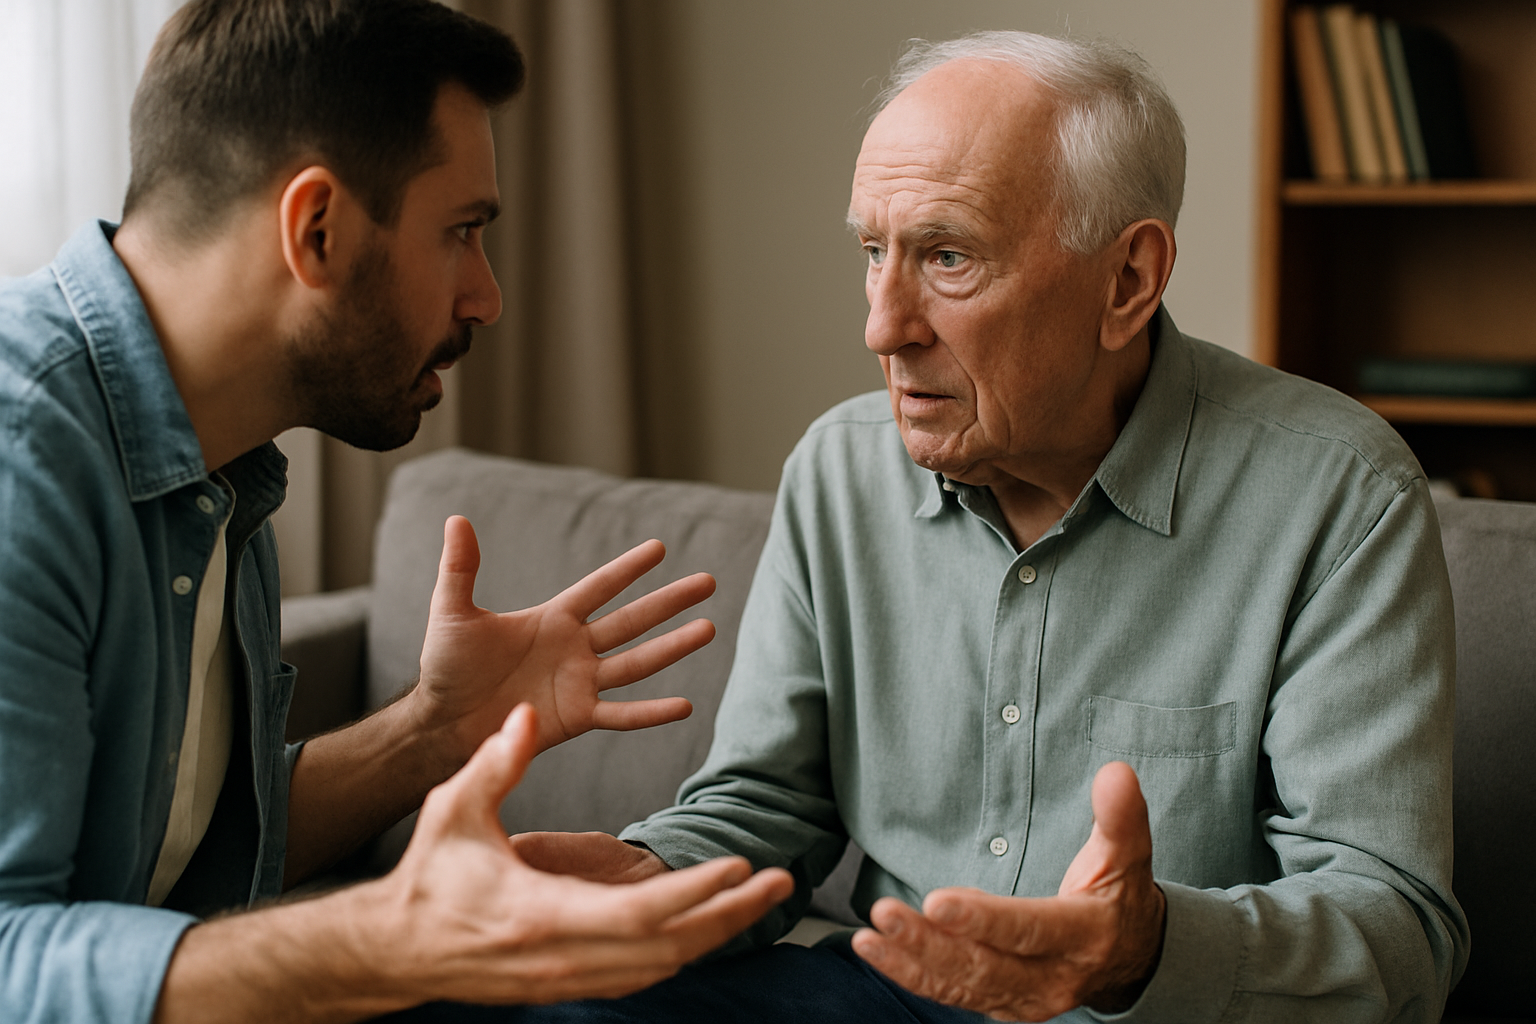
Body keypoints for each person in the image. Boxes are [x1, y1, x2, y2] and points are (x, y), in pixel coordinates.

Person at [502, 30, 1470, 1023]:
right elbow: (770, 805)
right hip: (889, 995)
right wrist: (640, 873)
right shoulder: (840, 470)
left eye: (947, 256)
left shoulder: (1340, 495)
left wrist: (1142, 950)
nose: (883, 325)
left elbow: (1395, 931)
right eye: (874, 252)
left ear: (1128, 280)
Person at [0, 2, 793, 1022]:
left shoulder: (222, 462)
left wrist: (432, 733)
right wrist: (386, 940)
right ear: (316, 228)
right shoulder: (25, 455)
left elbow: (194, 842)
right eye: (462, 232)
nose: (488, 297)